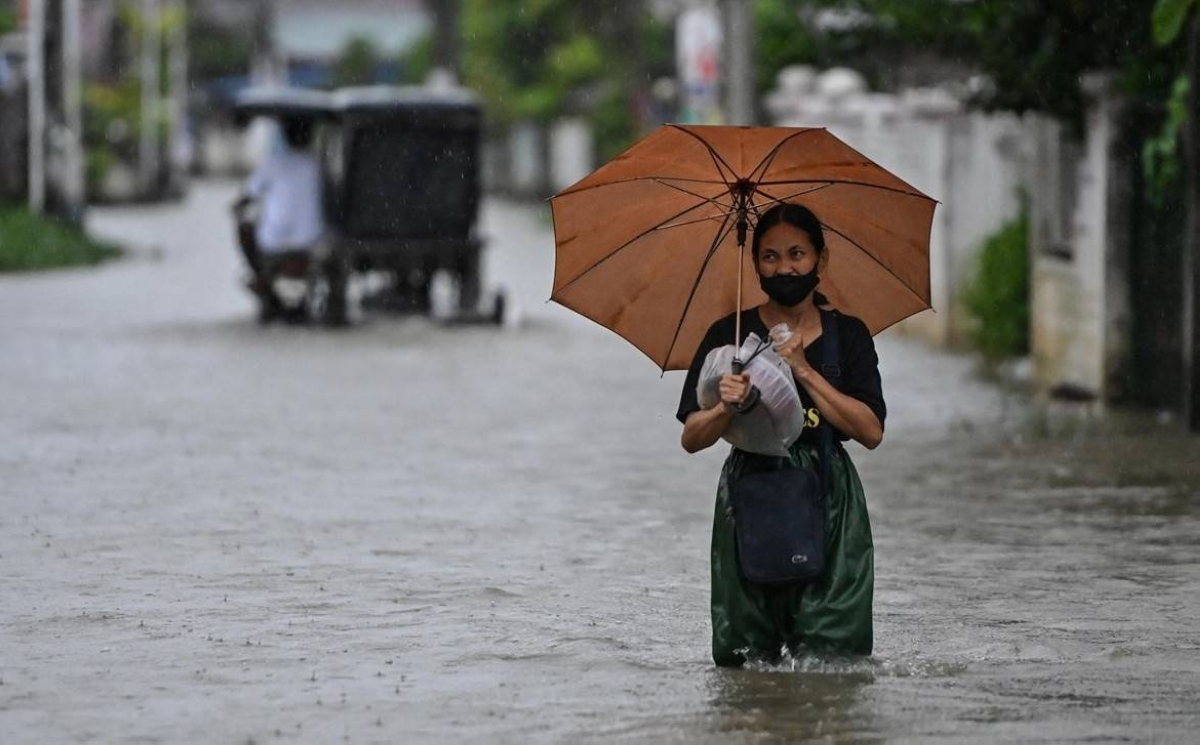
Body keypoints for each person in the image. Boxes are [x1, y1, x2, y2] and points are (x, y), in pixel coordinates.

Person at [676, 201, 886, 666]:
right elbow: (691, 437)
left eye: (797, 254)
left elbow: (871, 431)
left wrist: (803, 370)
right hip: (750, 495)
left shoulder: (848, 336)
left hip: (829, 496)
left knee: (835, 659)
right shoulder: (729, 334)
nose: (784, 267)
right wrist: (723, 407)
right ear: (755, 264)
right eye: (770, 257)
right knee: (746, 656)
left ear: (820, 259)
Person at [234, 116, 325, 322]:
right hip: (311, 243)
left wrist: (238, 205)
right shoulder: (317, 166)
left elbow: (245, 198)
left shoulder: (272, 163)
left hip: (273, 245)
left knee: (243, 225)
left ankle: (259, 276)